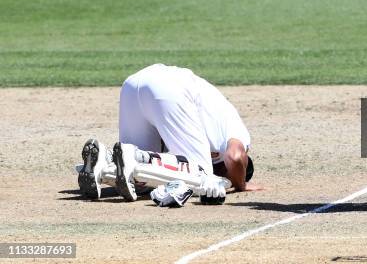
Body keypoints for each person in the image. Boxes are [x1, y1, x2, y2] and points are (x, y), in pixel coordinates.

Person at [78, 64, 260, 203]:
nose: (221, 176)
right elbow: (235, 158)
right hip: (170, 89)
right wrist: (240, 185)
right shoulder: (238, 134)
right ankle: (128, 157)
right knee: (201, 179)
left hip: (133, 84)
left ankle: (103, 163)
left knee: (137, 179)